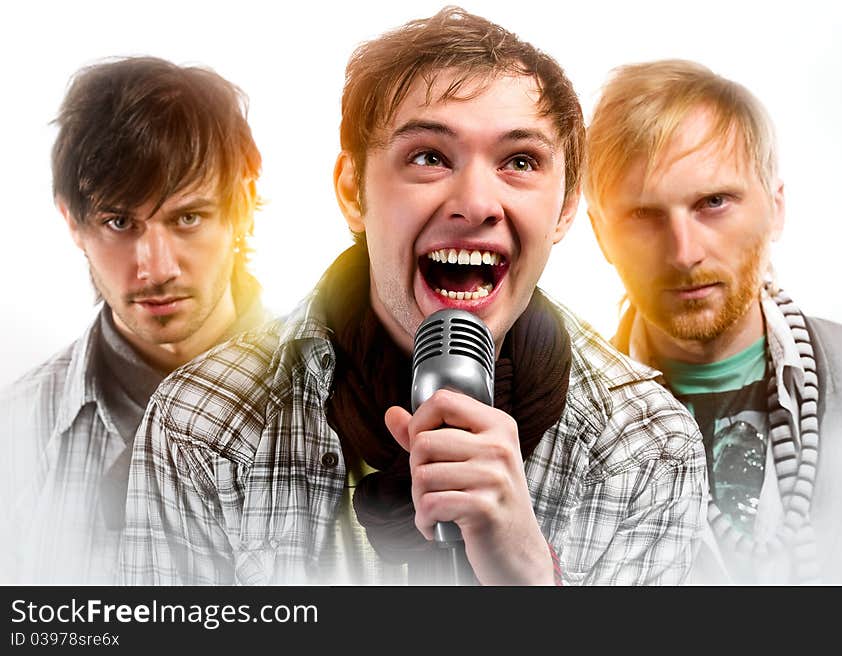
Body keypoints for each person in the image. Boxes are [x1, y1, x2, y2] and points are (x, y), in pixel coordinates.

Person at [121, 7, 705, 586]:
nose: (476, 203)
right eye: (429, 157)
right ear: (353, 192)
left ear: (566, 208)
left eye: (519, 161)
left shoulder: (647, 447)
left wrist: (528, 576)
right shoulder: (200, 427)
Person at [585, 59, 842, 584]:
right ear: (601, 234)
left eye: (713, 202)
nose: (684, 252)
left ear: (776, 207)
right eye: (644, 215)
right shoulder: (558, 432)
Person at [0, 57, 269, 584]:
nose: (157, 268)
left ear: (241, 204)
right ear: (71, 222)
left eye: (187, 218)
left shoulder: (345, 406)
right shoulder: (17, 435)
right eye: (119, 222)